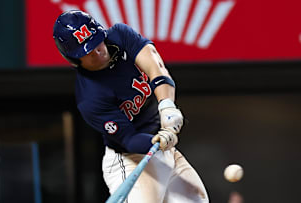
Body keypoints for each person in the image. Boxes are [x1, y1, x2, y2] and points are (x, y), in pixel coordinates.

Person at [53, 10, 209, 203]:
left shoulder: (121, 35)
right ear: (74, 58)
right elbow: (129, 139)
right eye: (86, 51)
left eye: (96, 42)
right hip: (130, 159)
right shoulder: (89, 97)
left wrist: (167, 106)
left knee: (197, 199)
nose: (96, 51)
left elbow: (156, 68)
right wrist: (157, 141)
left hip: (163, 149)